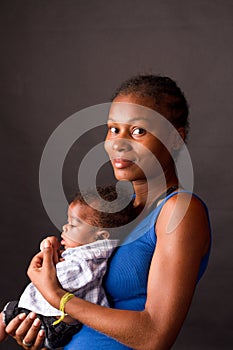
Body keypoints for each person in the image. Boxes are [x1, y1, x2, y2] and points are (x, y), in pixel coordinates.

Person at [5, 74, 211, 350]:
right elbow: (85, 299)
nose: (119, 143)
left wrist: (57, 297)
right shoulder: (113, 212)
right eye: (113, 129)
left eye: (138, 131)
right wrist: (45, 326)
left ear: (176, 137)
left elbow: (154, 337)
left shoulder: (179, 211)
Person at [0, 184, 135, 349]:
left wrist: (48, 258)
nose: (65, 227)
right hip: (59, 326)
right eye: (67, 222)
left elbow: (56, 282)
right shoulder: (94, 254)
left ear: (100, 236)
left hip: (54, 323)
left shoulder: (85, 261)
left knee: (6, 315)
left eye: (74, 224)